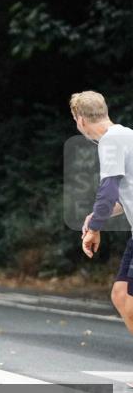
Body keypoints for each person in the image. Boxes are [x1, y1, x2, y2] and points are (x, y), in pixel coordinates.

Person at [74, 91, 133, 337]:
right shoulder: (125, 135)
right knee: (121, 294)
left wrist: (94, 228)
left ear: (80, 120)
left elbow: (108, 190)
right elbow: (122, 196)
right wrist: (96, 217)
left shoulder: (111, 141)